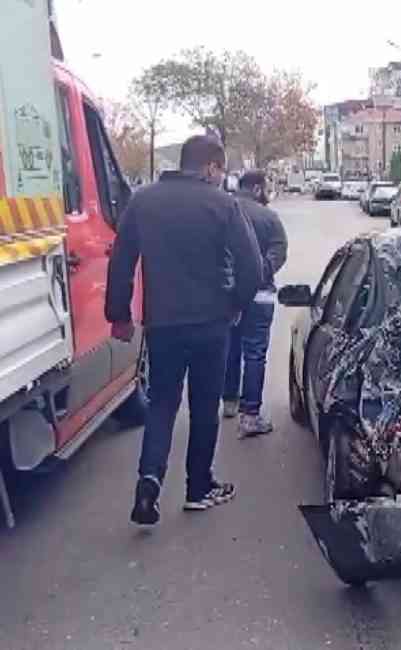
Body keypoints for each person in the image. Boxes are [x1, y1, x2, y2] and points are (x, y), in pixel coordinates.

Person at [106, 134, 263, 527]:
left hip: (163, 324)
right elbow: (252, 266)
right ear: (210, 166)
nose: (221, 176)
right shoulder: (222, 204)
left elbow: (121, 260)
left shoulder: (143, 201)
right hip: (211, 324)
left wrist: (119, 314)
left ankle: (149, 480)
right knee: (204, 405)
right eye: (220, 169)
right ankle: (198, 488)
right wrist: (235, 304)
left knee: (162, 402)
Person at [223, 170, 288, 437]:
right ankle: (250, 415)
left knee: (230, 348)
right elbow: (280, 251)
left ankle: (229, 400)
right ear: (258, 189)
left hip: (228, 294)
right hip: (260, 295)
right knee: (255, 352)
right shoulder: (269, 217)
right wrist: (262, 271)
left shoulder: (224, 211)